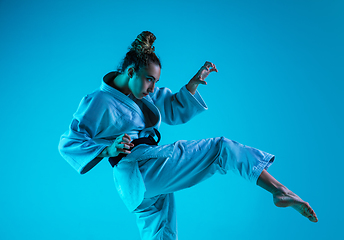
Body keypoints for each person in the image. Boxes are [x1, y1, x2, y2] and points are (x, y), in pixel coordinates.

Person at [59, 31, 318, 240]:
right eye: (149, 80)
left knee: (163, 236)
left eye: (155, 82)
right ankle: (279, 190)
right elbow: (69, 142)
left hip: (138, 186)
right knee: (221, 149)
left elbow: (170, 105)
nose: (152, 88)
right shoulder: (99, 101)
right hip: (140, 166)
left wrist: (193, 84)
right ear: (130, 72)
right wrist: (108, 149)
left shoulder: (141, 93)